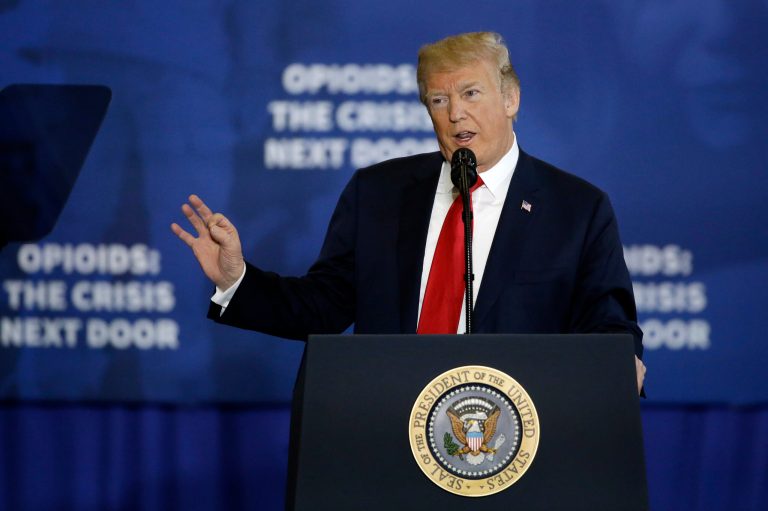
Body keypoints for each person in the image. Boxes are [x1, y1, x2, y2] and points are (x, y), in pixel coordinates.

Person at [171, 31, 646, 393]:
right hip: (390, 428)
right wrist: (237, 279)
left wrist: (619, 363)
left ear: (510, 98)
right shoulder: (378, 192)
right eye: (439, 100)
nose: (455, 113)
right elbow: (322, 307)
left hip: (515, 443)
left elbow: (608, 326)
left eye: (471, 94)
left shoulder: (576, 208)